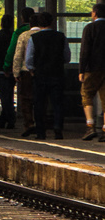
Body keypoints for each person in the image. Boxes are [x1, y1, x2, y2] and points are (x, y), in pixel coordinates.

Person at [28, 9, 68, 140]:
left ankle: (41, 132)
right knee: (58, 103)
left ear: (39, 24)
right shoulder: (61, 37)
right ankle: (58, 128)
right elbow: (66, 56)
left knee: (39, 104)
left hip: (40, 75)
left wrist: (32, 69)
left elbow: (29, 58)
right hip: (57, 74)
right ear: (52, 22)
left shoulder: (34, 38)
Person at [8, 6, 37, 135]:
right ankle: (41, 124)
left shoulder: (22, 34)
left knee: (26, 99)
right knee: (41, 98)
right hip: (44, 72)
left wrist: (15, 72)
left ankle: (29, 123)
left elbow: (17, 55)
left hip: (26, 72)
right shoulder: (49, 34)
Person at [80, 2, 105, 141]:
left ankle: (90, 126)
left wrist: (81, 70)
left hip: (93, 68)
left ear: (95, 13)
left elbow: (85, 50)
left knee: (86, 94)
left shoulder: (89, 28)